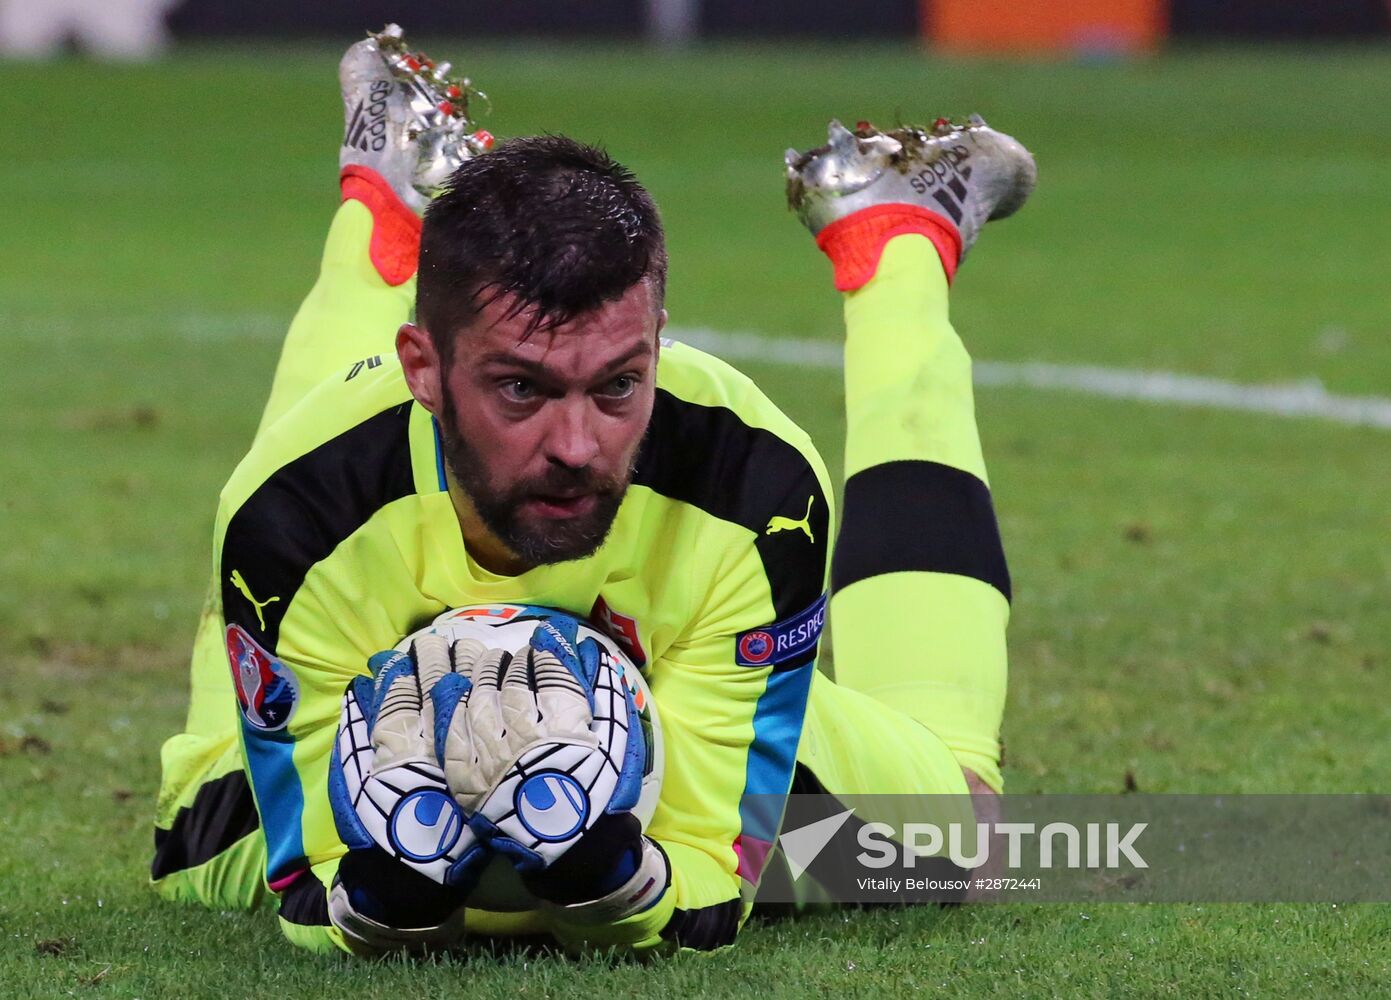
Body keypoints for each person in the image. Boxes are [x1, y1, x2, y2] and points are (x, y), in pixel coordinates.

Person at [150, 24, 1030, 955]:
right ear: (426, 368)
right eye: (520, 388)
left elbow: (704, 864)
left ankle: (891, 233)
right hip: (336, 666)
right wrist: (384, 888)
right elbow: (306, 881)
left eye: (617, 384)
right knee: (193, 845)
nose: (577, 445)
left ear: (657, 347)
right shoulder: (297, 512)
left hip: (675, 705)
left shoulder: (751, 483)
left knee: (960, 842)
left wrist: (614, 873)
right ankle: (384, 202)